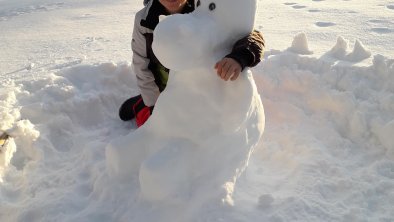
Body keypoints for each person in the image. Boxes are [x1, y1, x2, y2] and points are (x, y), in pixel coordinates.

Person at [119, 0, 265, 127]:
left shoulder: (202, 9)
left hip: (197, 88)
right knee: (156, 130)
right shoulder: (144, 20)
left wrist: (240, 57)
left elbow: (252, 35)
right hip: (163, 89)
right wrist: (154, 104)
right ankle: (141, 104)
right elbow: (140, 63)